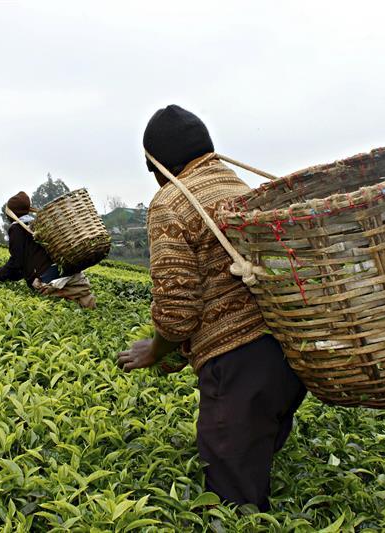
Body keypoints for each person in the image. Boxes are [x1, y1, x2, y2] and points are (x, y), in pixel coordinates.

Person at [116, 105, 307, 511]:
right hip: (288, 355)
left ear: (156, 164)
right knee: (258, 456)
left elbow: (177, 310)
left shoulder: (171, 203)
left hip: (238, 365)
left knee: (233, 501)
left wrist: (155, 351)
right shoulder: (243, 189)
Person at [0, 191, 96, 309]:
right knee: (84, 305)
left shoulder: (16, 229)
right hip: (63, 269)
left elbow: (17, 263)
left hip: (45, 276)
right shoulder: (37, 224)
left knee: (58, 308)